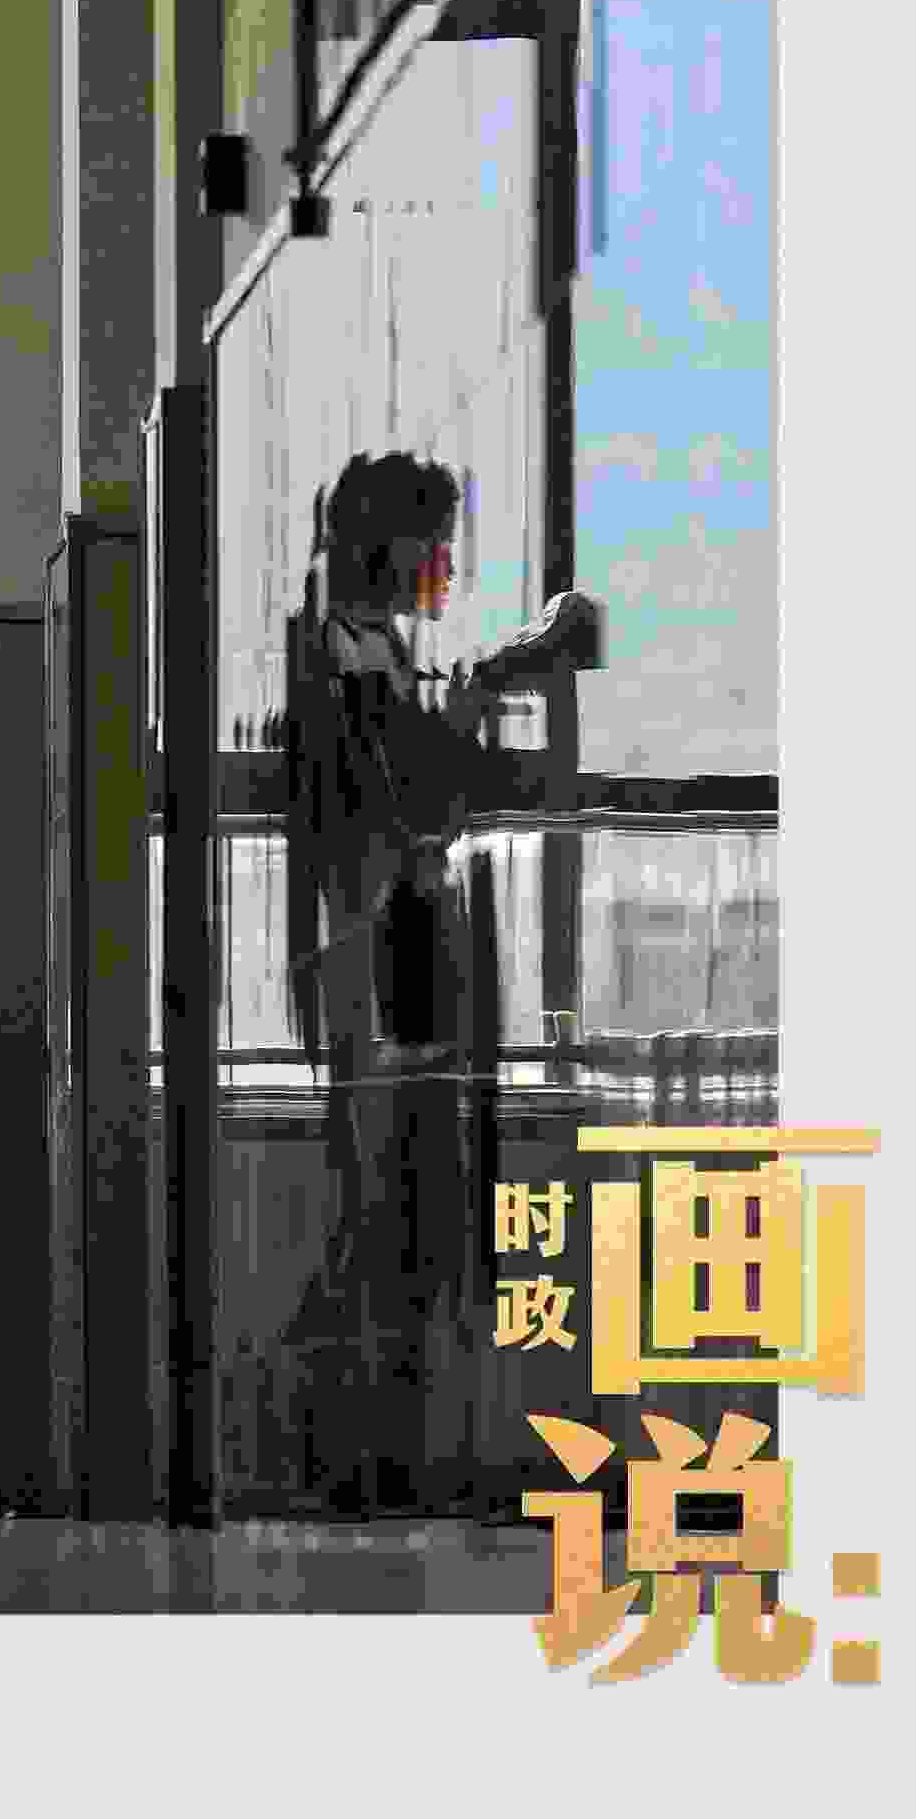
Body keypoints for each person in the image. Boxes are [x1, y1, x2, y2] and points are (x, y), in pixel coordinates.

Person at [275, 450, 598, 1515]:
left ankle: (381, 1453)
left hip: (391, 953)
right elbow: (403, 793)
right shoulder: (342, 652)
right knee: (391, 1204)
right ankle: (351, 1448)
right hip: (379, 958)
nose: (445, 563)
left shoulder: (364, 648)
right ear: (389, 545)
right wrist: (478, 703)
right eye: (433, 541)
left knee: (409, 1206)